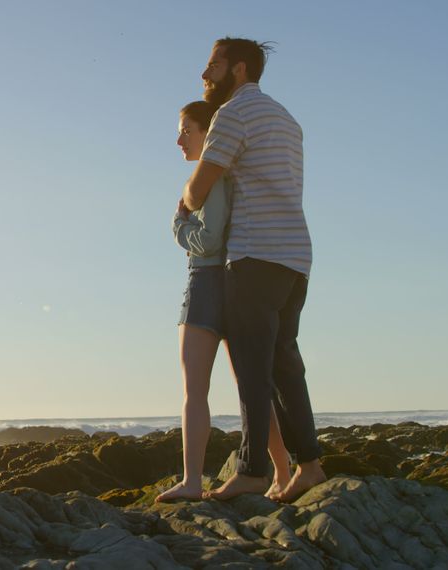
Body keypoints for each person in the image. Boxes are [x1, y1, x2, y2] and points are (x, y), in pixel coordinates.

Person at [181, 37, 327, 502]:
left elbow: (200, 191)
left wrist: (183, 201)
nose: (205, 75)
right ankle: (310, 466)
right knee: (286, 365)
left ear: (238, 69)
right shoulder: (287, 118)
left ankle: (251, 470)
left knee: (251, 367)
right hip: (295, 257)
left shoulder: (233, 115)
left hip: (254, 255)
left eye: (213, 65)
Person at [155, 101, 292, 502]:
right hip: (238, 282)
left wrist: (179, 225)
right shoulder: (239, 177)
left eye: (186, 130)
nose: (179, 139)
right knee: (251, 387)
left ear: (207, 133)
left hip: (207, 282)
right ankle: (282, 473)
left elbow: (208, 239)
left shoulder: (211, 179)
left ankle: (192, 481)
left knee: (195, 390)